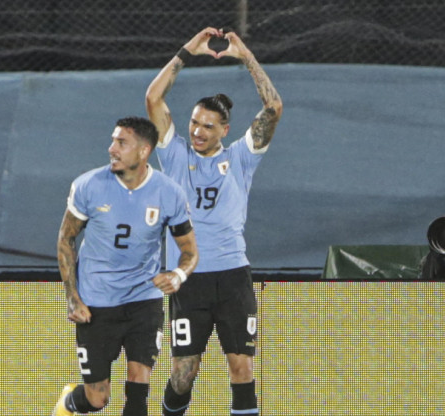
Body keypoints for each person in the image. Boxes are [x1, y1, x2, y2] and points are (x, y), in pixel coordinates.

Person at [145, 27, 282, 416]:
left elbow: (273, 109)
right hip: (189, 280)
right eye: (193, 123)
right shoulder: (173, 156)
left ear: (224, 130)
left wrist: (246, 57)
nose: (197, 131)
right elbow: (153, 97)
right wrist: (189, 50)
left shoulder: (241, 157)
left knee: (242, 368)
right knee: (183, 373)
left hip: (234, 276)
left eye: (208, 126)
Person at [53, 117, 198, 416]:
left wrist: (178, 274)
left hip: (143, 300)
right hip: (96, 301)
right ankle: (68, 402)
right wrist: (73, 297)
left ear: (144, 150)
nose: (112, 149)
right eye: (112, 141)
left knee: (138, 390)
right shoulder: (88, 186)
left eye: (121, 143)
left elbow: (190, 251)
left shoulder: (168, 192)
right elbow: (66, 239)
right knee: (98, 399)